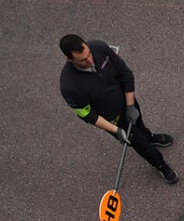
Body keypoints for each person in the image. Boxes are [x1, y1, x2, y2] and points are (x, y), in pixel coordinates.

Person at [59, 34, 178, 184]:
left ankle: (150, 137)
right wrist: (116, 131)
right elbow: (88, 115)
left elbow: (125, 75)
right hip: (113, 120)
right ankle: (160, 164)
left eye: (89, 54)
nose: (90, 60)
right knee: (141, 145)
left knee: (140, 125)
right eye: (83, 60)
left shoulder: (99, 47)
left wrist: (130, 106)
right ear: (69, 59)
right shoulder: (69, 87)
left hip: (128, 103)